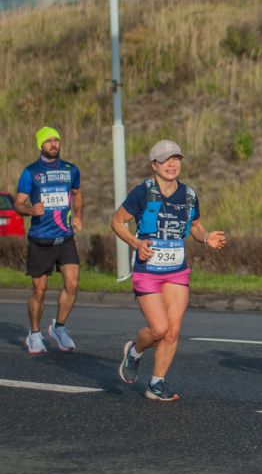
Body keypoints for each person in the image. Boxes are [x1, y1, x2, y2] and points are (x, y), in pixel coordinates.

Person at [110, 140, 226, 401]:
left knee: (173, 331)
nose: (172, 164)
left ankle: (156, 383)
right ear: (154, 165)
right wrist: (136, 242)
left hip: (176, 271)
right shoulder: (142, 192)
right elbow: (117, 222)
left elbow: (195, 226)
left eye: (176, 159)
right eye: (165, 160)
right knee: (159, 329)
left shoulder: (189, 195)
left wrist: (206, 237)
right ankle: (135, 351)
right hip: (147, 270)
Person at [15, 126, 83, 354]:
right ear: (40, 145)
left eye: (56, 140)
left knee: (72, 284)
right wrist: (30, 210)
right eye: (48, 141)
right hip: (40, 240)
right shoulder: (30, 172)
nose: (54, 144)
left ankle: (59, 327)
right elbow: (18, 202)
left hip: (64, 238)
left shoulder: (70, 169)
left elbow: (77, 193)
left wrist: (79, 216)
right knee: (39, 291)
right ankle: (34, 334)